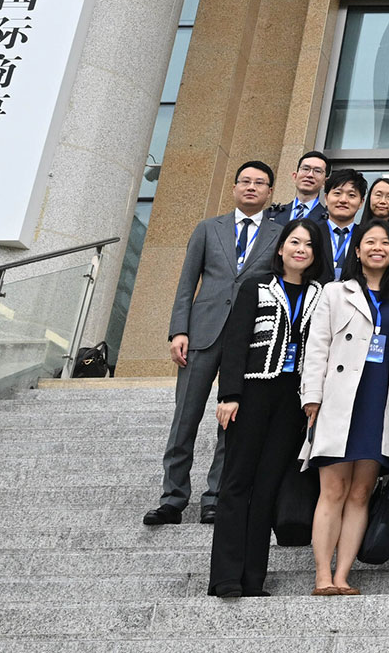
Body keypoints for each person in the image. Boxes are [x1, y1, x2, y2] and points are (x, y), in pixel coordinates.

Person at [146, 159, 280, 527]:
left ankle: (216, 497)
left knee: (231, 421)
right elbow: (187, 282)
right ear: (234, 188)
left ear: (270, 192)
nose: (251, 187)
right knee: (185, 418)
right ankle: (172, 498)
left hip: (249, 340)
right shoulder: (208, 228)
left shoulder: (279, 234)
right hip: (202, 334)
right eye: (245, 181)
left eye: (259, 183)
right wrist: (179, 330)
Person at [208, 218, 319, 597]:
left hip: (293, 399)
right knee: (237, 481)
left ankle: (253, 578)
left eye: (308, 244)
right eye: (295, 242)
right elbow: (236, 341)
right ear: (281, 248)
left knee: (268, 486)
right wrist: (229, 395)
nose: (301, 249)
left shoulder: (321, 294)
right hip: (253, 391)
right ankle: (225, 576)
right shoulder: (256, 287)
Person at [299, 219, 389, 595]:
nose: (378, 248)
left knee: (361, 492)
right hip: (340, 400)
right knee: (332, 490)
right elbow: (316, 347)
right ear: (357, 251)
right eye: (370, 242)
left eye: (385, 243)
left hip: (381, 403)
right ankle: (322, 575)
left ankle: (343, 575)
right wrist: (311, 396)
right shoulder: (334, 292)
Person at [312, 169, 366, 283]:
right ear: (326, 199)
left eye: (351, 195)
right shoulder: (311, 233)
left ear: (361, 202)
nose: (343, 200)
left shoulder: (365, 237)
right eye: (337, 193)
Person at [269, 150, 329, 224]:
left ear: (325, 182)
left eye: (317, 171)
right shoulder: (272, 215)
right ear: (295, 176)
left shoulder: (329, 220)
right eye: (306, 169)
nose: (310, 175)